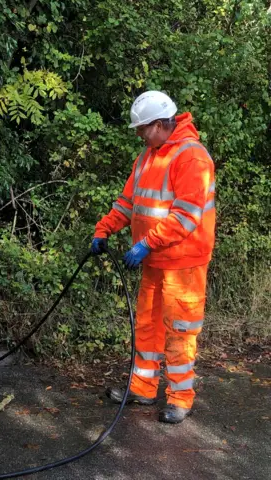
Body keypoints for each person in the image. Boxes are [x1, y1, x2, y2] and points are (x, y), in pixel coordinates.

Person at [92, 91, 215, 424]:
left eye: (143, 128)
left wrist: (146, 243)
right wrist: (104, 229)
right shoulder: (148, 156)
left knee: (179, 331)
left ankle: (180, 398)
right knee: (147, 325)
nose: (139, 134)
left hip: (184, 263)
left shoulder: (192, 158)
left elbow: (186, 217)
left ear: (161, 124)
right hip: (155, 261)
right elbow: (128, 203)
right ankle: (143, 388)